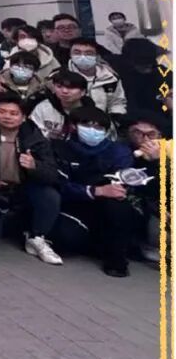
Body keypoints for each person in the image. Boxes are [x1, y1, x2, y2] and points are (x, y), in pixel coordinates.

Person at [0, 94, 63, 264]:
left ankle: (36, 236)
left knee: (50, 196)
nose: (7, 117)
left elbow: (52, 174)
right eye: (2, 111)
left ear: (23, 117)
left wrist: (35, 166)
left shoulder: (35, 138)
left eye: (13, 113)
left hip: (22, 188)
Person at [50, 106, 140, 277]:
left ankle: (116, 261)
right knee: (65, 239)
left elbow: (122, 178)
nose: (93, 130)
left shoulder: (118, 151)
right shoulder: (59, 148)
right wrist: (94, 190)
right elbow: (59, 183)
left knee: (119, 205)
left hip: (107, 203)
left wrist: (112, 188)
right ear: (73, 126)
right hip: (74, 204)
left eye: (99, 127)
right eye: (87, 125)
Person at [125, 112, 166, 264]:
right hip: (131, 199)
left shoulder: (168, 154)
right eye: (138, 133)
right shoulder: (121, 151)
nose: (145, 139)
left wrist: (156, 162)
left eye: (151, 134)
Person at [67, 38, 127, 119]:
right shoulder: (61, 75)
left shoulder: (110, 77)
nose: (82, 56)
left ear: (97, 56)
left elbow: (117, 102)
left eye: (88, 53)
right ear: (70, 54)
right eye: (77, 53)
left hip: (103, 122)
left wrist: (115, 120)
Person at [30, 70, 96, 141]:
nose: (64, 91)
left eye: (71, 88)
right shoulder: (43, 108)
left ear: (83, 92)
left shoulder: (92, 112)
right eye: (59, 86)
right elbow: (32, 133)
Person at [116, 38, 172, 119]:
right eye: (144, 64)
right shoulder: (119, 76)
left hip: (160, 119)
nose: (148, 68)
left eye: (150, 63)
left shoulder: (164, 75)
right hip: (129, 119)